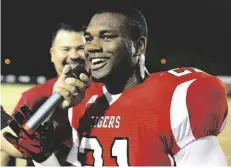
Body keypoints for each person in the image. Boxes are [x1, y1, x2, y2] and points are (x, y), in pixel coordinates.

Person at [5, 6, 229, 166]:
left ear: (138, 46)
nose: (91, 47)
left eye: (106, 36)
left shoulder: (176, 98)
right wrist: (44, 159)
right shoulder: (81, 101)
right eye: (89, 38)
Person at [1, 22, 86, 166]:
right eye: (66, 49)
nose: (74, 55)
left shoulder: (108, 92)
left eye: (81, 48)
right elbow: (7, 144)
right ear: (52, 54)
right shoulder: (33, 96)